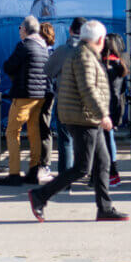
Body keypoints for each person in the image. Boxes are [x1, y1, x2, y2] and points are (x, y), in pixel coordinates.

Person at [28, 20, 129, 222]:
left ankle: (105, 208)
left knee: (103, 162)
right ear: (100, 39)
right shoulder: (84, 57)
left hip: (85, 117)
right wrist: (103, 115)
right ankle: (40, 195)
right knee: (83, 167)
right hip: (83, 118)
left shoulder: (83, 53)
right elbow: (88, 89)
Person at [0, 16, 49, 187]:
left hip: (24, 94)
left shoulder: (24, 45)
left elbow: (9, 66)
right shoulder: (43, 47)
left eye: (20, 28)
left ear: (25, 29)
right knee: (34, 132)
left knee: (12, 132)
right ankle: (34, 170)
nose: (19, 31)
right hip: (40, 95)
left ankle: (14, 173)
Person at [44, 20, 84, 179]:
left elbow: (47, 70)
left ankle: (65, 180)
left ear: (70, 30)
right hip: (86, 103)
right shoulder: (91, 51)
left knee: (66, 141)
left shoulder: (62, 51)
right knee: (88, 141)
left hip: (65, 102)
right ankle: (91, 176)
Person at [103, 33, 127, 186]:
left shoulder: (104, 65)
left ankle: (111, 172)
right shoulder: (120, 65)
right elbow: (122, 89)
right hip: (115, 108)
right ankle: (113, 172)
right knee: (109, 139)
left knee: (104, 141)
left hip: (103, 109)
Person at [36, 21, 57, 181]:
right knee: (41, 127)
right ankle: (41, 162)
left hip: (46, 94)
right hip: (45, 93)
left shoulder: (50, 54)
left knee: (44, 127)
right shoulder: (53, 53)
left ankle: (44, 163)